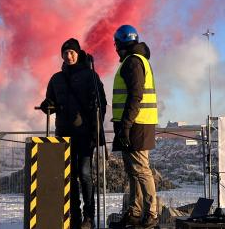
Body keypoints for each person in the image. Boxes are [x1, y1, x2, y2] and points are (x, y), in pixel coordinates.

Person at [39, 38, 107, 229]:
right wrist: (47, 106)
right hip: (64, 134)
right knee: (69, 175)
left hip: (85, 133)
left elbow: (102, 103)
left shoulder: (91, 76)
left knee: (84, 174)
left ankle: (89, 217)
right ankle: (74, 216)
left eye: (72, 53)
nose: (69, 56)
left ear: (78, 54)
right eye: (65, 53)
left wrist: (96, 128)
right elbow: (50, 103)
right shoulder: (56, 79)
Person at [109, 25, 159, 228]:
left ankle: (151, 213)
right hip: (136, 123)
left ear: (120, 43)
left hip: (136, 124)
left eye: (116, 44)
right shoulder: (138, 60)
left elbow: (135, 96)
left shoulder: (132, 63)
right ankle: (135, 211)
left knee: (140, 169)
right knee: (133, 171)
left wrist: (126, 126)